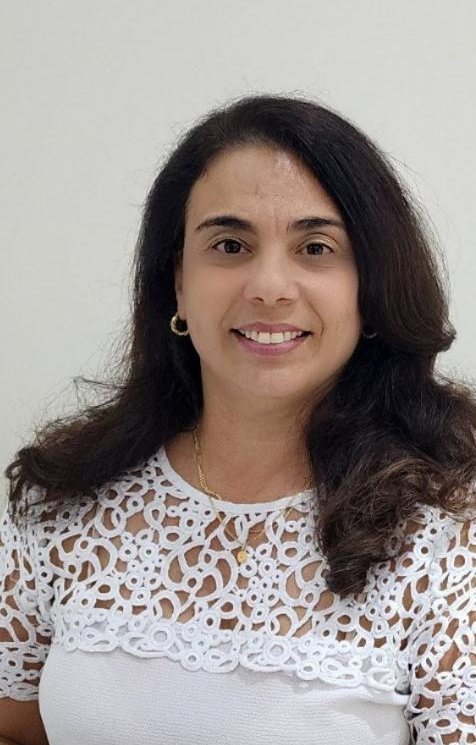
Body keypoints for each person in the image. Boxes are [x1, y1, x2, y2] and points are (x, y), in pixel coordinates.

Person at [1, 93, 476, 745]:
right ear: (177, 280)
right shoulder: (62, 503)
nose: (269, 286)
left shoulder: (447, 536)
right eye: (230, 244)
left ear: (371, 286)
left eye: (316, 247)